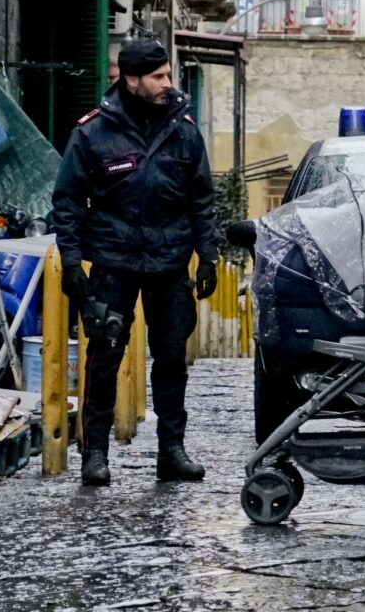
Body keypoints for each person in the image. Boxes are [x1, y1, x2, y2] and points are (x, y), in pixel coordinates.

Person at [50, 39, 220, 487]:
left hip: (169, 262)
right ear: (132, 80)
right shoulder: (92, 133)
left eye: (168, 75)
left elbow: (202, 199)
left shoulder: (183, 131)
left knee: (170, 359)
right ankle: (95, 454)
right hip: (113, 260)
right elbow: (66, 202)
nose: (169, 84)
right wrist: (71, 262)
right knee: (104, 357)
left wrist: (209, 256)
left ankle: (172, 450)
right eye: (159, 77)